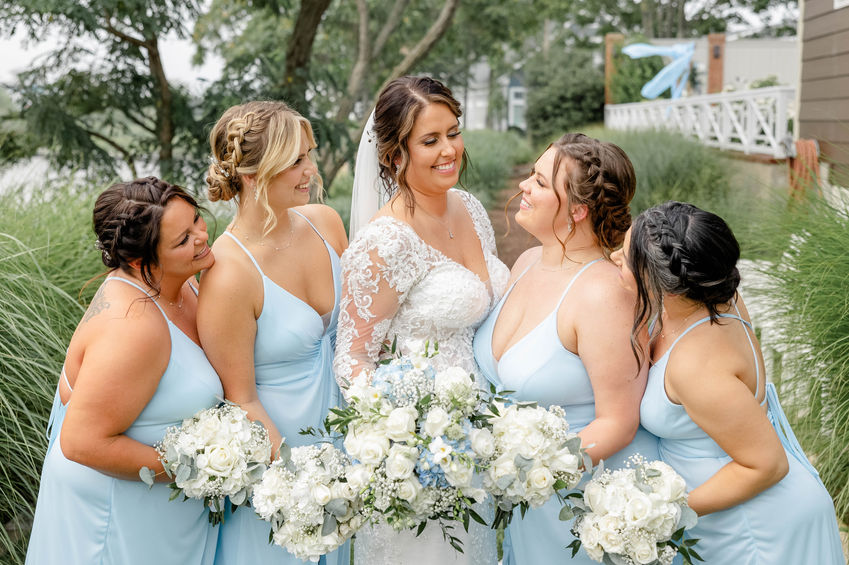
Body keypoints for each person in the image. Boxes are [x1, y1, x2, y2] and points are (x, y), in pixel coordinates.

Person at [334, 75, 508, 565]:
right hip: (421, 455)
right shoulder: (383, 242)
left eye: (452, 132)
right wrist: (402, 439)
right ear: (394, 155)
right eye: (429, 141)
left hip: (476, 436)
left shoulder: (470, 208)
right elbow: (352, 358)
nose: (449, 149)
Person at [611, 201, 845, 564]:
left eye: (626, 259)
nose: (614, 257)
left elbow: (766, 465)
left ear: (666, 287)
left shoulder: (697, 368)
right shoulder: (720, 297)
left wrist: (658, 514)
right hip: (735, 519)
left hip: (757, 529)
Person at [472, 133, 659, 564]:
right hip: (525, 503)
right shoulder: (526, 262)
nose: (523, 186)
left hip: (575, 507)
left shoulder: (604, 295)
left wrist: (533, 471)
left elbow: (619, 421)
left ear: (578, 210)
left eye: (539, 182)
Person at [25, 177, 223, 565]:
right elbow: (81, 441)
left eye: (197, 220)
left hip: (159, 514)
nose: (201, 237)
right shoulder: (132, 326)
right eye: (182, 240)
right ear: (139, 261)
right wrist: (203, 468)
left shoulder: (180, 285)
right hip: (114, 519)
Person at [198, 100, 349, 565]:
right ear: (251, 175)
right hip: (282, 468)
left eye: (310, 154)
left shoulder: (324, 222)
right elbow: (240, 399)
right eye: (296, 161)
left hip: (348, 447)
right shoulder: (229, 272)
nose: (311, 170)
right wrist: (299, 486)